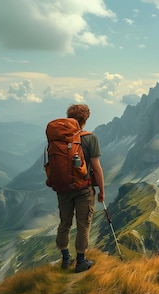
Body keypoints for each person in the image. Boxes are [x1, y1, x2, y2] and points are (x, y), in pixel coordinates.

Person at [56, 103, 105, 273]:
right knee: (83, 224)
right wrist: (101, 191)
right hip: (84, 189)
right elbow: (96, 168)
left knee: (65, 223)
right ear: (85, 120)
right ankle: (81, 261)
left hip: (63, 188)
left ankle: (65, 258)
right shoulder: (90, 138)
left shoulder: (57, 139)